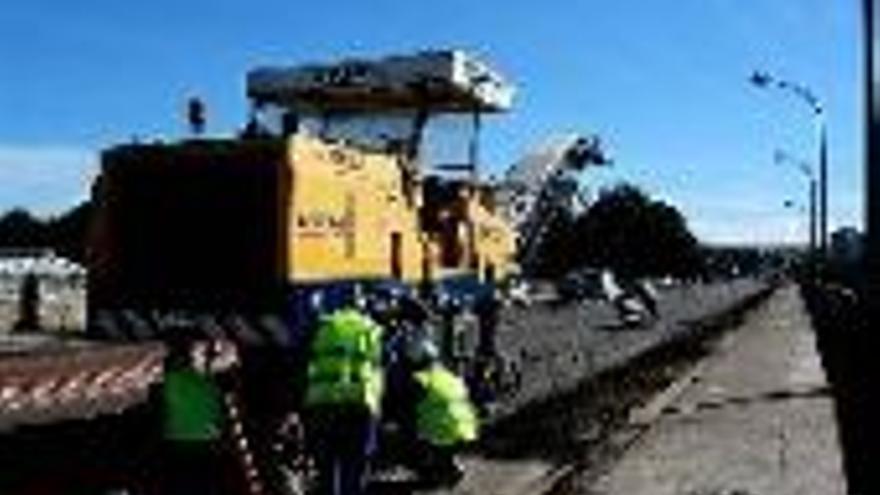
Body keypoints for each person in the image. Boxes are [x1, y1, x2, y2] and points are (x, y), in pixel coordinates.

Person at [303, 308, 384, 495]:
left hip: (321, 402)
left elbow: (305, 361)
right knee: (354, 469)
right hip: (359, 403)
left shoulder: (321, 325)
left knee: (326, 469)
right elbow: (378, 367)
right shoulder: (370, 328)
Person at [400, 335, 478, 487]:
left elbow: (407, 408)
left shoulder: (420, 380)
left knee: (409, 429)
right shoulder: (449, 375)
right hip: (466, 427)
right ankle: (449, 466)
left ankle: (431, 469)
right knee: (443, 432)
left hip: (440, 432)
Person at [160, 334, 231, 495]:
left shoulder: (172, 379)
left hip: (180, 439)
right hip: (204, 440)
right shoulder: (210, 383)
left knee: (184, 483)